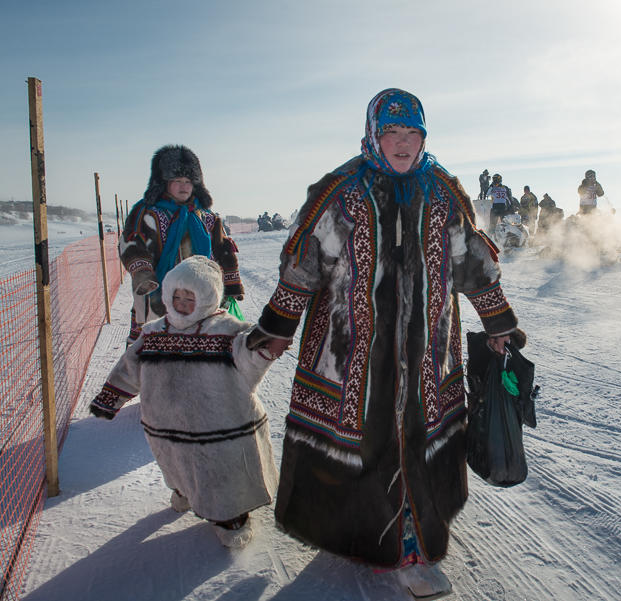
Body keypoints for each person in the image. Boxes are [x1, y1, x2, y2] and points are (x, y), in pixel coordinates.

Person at [248, 88, 524, 597]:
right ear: (374, 134)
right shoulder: (342, 191)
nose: (402, 144)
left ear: (424, 137)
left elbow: (474, 266)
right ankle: (377, 538)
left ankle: (411, 546)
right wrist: (277, 328)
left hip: (427, 353)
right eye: (392, 133)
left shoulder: (443, 192)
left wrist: (498, 323)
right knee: (368, 441)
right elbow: (302, 265)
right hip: (351, 354)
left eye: (412, 133)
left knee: (416, 438)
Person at [88, 256, 279, 548]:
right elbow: (130, 367)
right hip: (166, 425)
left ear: (208, 297)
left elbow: (248, 356)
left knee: (220, 470)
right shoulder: (154, 332)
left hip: (218, 425)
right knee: (176, 463)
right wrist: (110, 399)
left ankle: (231, 516)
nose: (181, 303)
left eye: (190, 297)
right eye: (176, 295)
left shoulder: (227, 331)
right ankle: (185, 492)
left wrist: (263, 345)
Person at [119, 145, 244, 344]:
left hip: (200, 301)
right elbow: (131, 243)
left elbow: (223, 249)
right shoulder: (146, 213)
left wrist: (231, 283)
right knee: (151, 355)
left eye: (188, 181)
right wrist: (143, 273)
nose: (184, 186)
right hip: (156, 299)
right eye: (177, 181)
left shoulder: (207, 217)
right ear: (163, 183)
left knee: (196, 356)